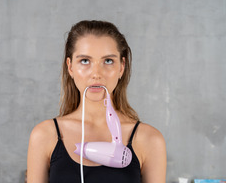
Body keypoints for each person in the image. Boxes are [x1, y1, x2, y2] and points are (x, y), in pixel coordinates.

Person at [27, 20, 167, 183]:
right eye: (85, 61)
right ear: (70, 67)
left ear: (121, 67)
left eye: (108, 61)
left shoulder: (149, 140)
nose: (96, 74)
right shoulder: (45, 135)